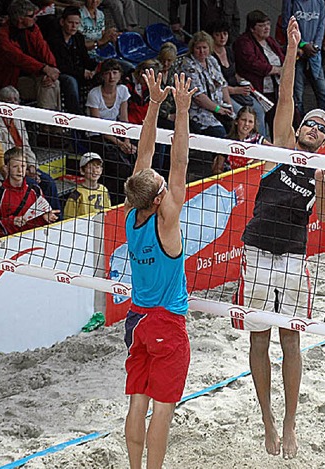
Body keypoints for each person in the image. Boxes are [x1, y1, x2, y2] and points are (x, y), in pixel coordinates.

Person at [235, 16, 325, 460]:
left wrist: (323, 185)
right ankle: (268, 422)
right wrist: (292, 49)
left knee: (290, 341)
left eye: (321, 129)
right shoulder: (280, 145)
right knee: (259, 339)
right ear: (299, 129)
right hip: (257, 249)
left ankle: (291, 423)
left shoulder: (323, 169)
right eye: (309, 124)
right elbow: (287, 93)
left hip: (293, 258)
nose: (312, 129)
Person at [122, 69, 195, 469]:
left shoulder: (134, 215)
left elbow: (144, 155)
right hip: (166, 324)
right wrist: (181, 111)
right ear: (160, 197)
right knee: (162, 411)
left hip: (136, 321)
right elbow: (179, 161)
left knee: (138, 400)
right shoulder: (165, 221)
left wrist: (153, 105)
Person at [0, 86, 61, 213]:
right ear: (0, 102)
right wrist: (23, 170)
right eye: (10, 101)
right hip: (9, 168)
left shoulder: (18, 120)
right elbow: (2, 155)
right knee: (33, 186)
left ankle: (56, 218)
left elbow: (26, 146)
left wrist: (32, 166)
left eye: (16, 100)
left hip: (23, 165)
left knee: (49, 182)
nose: (14, 104)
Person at [85, 58, 136, 205]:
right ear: (102, 76)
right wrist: (119, 143)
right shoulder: (94, 94)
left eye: (115, 73)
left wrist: (127, 141)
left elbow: (124, 118)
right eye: (108, 73)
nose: (111, 77)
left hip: (117, 133)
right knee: (118, 164)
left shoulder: (123, 91)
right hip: (96, 136)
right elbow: (98, 126)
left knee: (134, 154)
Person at [0, 0, 61, 111]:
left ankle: (48, 125)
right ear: (20, 18)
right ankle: (50, 125)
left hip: (33, 74)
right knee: (48, 86)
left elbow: (43, 48)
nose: (35, 18)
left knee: (52, 83)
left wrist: (52, 68)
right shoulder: (3, 35)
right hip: (11, 81)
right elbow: (18, 58)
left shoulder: (33, 29)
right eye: (31, 15)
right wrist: (44, 68)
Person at [210, 20, 267, 137]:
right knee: (242, 113)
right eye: (218, 34)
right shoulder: (211, 56)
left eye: (225, 34)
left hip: (237, 89)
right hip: (224, 94)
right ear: (212, 36)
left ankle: (260, 140)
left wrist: (242, 81)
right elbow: (216, 85)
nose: (222, 37)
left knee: (259, 110)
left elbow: (234, 73)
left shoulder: (229, 51)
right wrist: (236, 90)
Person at [233, 10, 285, 136]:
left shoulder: (270, 40)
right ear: (252, 28)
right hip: (256, 90)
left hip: (275, 88)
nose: (266, 28)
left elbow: (281, 56)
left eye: (267, 24)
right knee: (259, 120)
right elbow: (253, 64)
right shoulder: (243, 42)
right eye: (261, 25)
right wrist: (277, 70)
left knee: (277, 121)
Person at [176, 30, 235, 138]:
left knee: (237, 127)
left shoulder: (212, 60)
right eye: (198, 48)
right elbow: (198, 97)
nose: (202, 51)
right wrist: (218, 109)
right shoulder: (188, 65)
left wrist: (228, 105)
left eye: (205, 48)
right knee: (220, 133)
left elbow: (223, 85)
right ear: (193, 49)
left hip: (220, 107)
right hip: (201, 113)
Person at [282, 0, 325, 119]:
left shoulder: (319, 2)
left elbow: (321, 25)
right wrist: (302, 44)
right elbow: (286, 26)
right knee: (297, 93)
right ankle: (299, 125)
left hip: (315, 53)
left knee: (323, 92)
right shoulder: (291, 2)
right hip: (298, 53)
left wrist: (316, 46)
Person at [0, 147, 59, 237]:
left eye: (22, 166)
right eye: (15, 166)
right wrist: (11, 221)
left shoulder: (35, 190)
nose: (20, 170)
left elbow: (37, 220)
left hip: (34, 241)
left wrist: (45, 217)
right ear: (6, 168)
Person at [46, 6, 98, 115]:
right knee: (70, 81)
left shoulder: (78, 37)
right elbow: (59, 65)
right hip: (61, 72)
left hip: (77, 71)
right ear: (62, 22)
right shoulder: (53, 39)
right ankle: (76, 116)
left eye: (77, 23)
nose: (74, 26)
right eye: (70, 23)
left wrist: (96, 68)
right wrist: (82, 72)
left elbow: (85, 59)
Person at [213, 105, 270, 175]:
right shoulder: (227, 141)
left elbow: (274, 151)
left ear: (254, 125)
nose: (246, 124)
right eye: (243, 120)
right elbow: (218, 169)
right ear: (236, 121)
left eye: (250, 121)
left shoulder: (258, 140)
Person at [63, 152, 111, 218]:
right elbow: (68, 218)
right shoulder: (77, 194)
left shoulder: (103, 190)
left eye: (97, 167)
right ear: (82, 171)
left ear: (101, 170)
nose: (94, 171)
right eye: (90, 168)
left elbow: (108, 212)